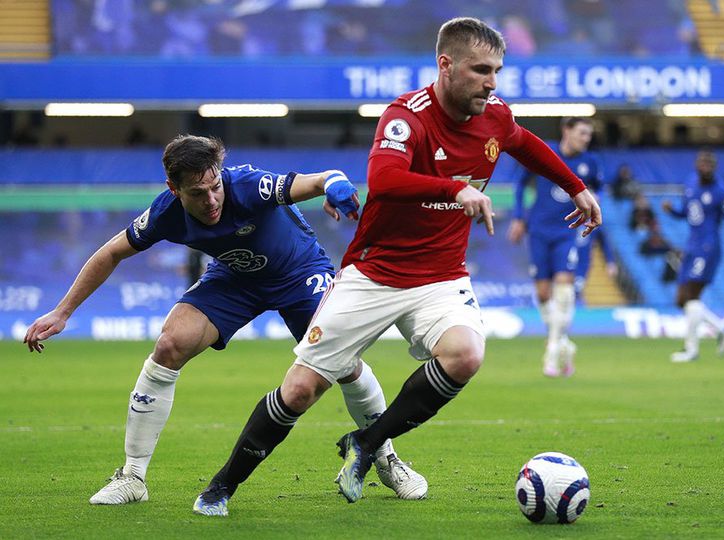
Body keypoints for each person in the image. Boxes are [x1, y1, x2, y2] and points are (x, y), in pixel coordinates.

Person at [193, 17, 601, 516]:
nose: (492, 83)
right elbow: (384, 180)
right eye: (480, 70)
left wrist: (577, 186)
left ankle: (366, 444)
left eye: (497, 70)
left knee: (465, 355)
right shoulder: (406, 116)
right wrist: (456, 187)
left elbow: (524, 142)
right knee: (300, 389)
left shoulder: (495, 114)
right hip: (374, 273)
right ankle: (220, 487)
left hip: (442, 276)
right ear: (445, 65)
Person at [23, 134, 426, 506]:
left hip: (299, 273)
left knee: (343, 363)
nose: (212, 199)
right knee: (169, 344)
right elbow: (111, 252)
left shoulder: (249, 185)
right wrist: (62, 312)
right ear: (173, 190)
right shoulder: (165, 213)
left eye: (215, 187)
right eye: (198, 193)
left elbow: (320, 179)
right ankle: (132, 477)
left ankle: (386, 458)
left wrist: (336, 186)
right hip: (234, 278)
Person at [507, 116, 602, 377]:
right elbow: (520, 184)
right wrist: (518, 217)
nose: (586, 139)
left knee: (565, 292)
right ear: (566, 131)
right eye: (582, 133)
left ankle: (550, 354)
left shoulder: (590, 162)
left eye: (589, 135)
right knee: (543, 295)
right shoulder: (545, 153)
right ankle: (564, 345)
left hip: (567, 232)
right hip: (538, 230)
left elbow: (598, 192)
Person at [662, 149, 724, 363]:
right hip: (691, 246)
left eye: (709, 164)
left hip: (709, 248)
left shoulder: (722, 192)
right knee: (681, 299)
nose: (705, 167)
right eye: (702, 163)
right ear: (696, 165)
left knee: (692, 294)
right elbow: (688, 213)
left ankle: (691, 350)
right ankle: (720, 329)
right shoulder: (690, 183)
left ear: (715, 167)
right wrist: (672, 211)